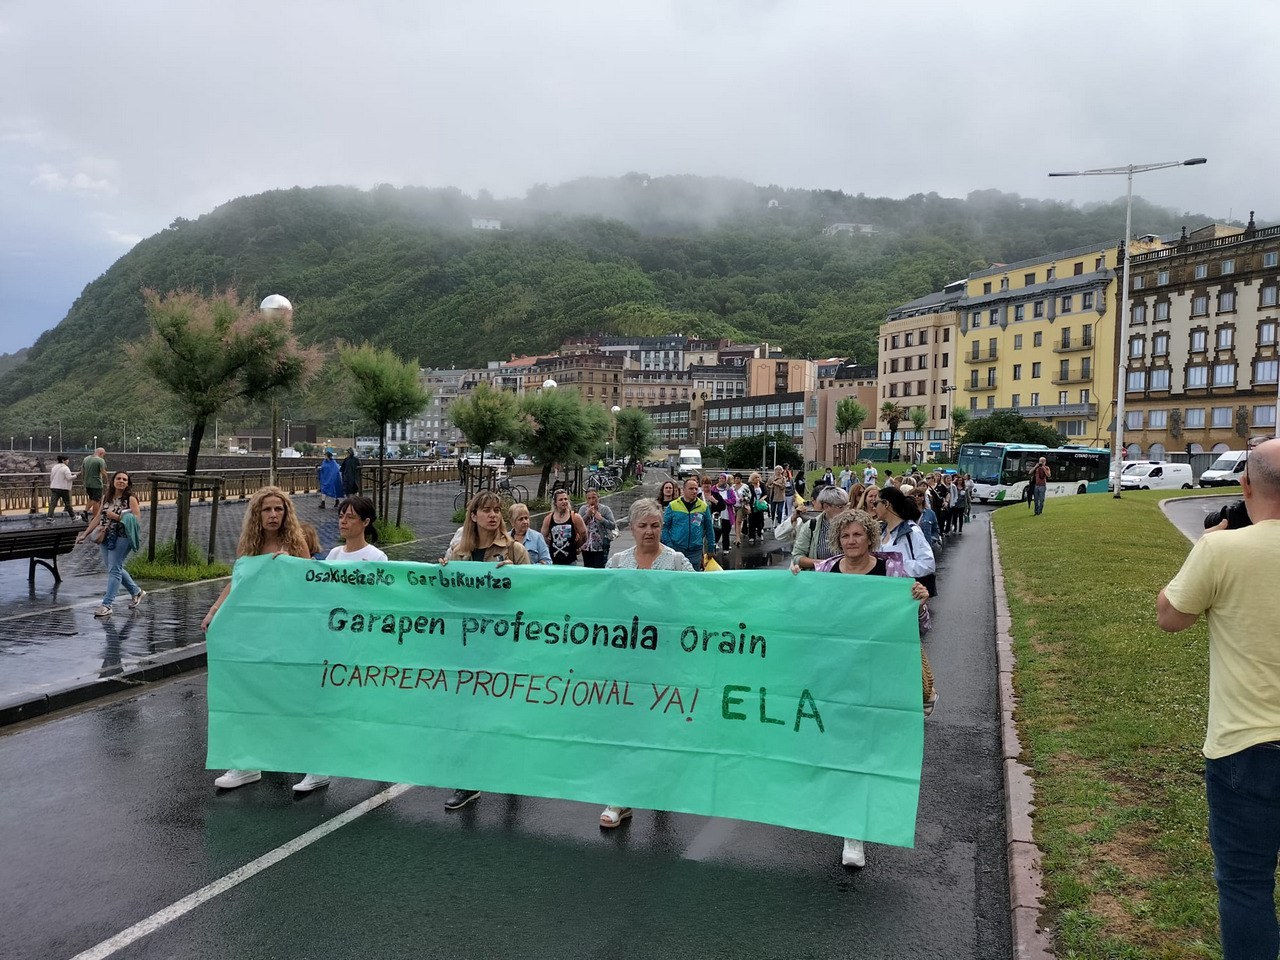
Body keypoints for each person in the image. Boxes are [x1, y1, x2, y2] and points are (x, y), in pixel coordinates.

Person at [1157, 439, 1280, 958]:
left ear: (1245, 485)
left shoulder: (1221, 549)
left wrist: (1206, 547)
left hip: (1246, 745)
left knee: (1247, 884)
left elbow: (1171, 616)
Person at [790, 507, 934, 868]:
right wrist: (793, 584)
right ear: (837, 541)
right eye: (845, 536)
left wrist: (918, 601)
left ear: (870, 537)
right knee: (839, 748)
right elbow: (805, 616)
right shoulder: (824, 571)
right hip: (836, 676)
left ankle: (853, 834)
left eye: (858, 535)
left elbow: (919, 627)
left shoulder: (892, 570)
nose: (851, 541)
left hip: (877, 676)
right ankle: (847, 824)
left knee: (862, 748)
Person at [203, 486, 325, 793]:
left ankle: (316, 764)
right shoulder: (250, 546)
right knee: (248, 695)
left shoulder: (295, 545)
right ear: (257, 514)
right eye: (267, 510)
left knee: (295, 697)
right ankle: (247, 762)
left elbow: (312, 582)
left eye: (278, 509)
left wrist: (292, 567)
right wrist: (215, 610)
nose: (273, 515)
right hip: (256, 635)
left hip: (289, 635)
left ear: (286, 513)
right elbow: (238, 583)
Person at [598, 498, 695, 829]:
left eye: (655, 525)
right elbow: (600, 606)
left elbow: (702, 601)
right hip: (626, 662)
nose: (650, 531)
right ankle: (620, 797)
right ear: (632, 529)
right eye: (643, 526)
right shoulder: (617, 563)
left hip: (666, 662)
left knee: (660, 729)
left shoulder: (678, 562)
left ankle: (658, 788)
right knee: (624, 727)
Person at [440, 490, 530, 812]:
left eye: (497, 511)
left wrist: (517, 578)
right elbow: (447, 600)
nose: (493, 515)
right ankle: (468, 782)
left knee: (502, 713)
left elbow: (533, 597)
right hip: (467, 648)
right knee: (467, 715)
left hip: (502, 647)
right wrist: (442, 575)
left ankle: (509, 769)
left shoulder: (515, 551)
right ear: (473, 516)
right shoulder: (458, 553)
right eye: (486, 510)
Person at [76, 470, 144, 618]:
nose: (121, 481)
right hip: (105, 536)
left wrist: (117, 517)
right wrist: (85, 534)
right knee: (114, 568)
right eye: (118, 478)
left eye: (124, 479)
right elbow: (97, 517)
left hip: (122, 537)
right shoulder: (106, 497)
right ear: (113, 481)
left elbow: (136, 520)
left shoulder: (131, 499)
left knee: (114, 569)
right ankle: (136, 591)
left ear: (128, 483)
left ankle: (107, 604)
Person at [873, 485, 937, 595]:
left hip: (906, 594)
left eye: (876, 503)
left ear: (886, 504)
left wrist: (892, 566)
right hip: (885, 592)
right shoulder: (881, 531)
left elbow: (928, 565)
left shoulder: (912, 531)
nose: (874, 508)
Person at [662, 475, 716, 570]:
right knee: (677, 577)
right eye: (691, 489)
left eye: (696, 489)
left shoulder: (703, 507)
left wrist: (711, 547)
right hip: (676, 549)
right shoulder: (673, 506)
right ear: (684, 490)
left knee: (693, 577)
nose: (694, 491)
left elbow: (709, 528)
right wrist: (669, 545)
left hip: (695, 551)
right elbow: (664, 528)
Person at [791, 485, 849, 570]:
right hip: (819, 579)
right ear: (826, 507)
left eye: (846, 506)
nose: (845, 510)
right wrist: (826, 564)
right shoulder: (811, 526)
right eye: (840, 507)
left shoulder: (854, 526)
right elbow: (797, 556)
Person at [326, 495, 387, 563]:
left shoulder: (376, 557)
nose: (343, 521)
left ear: (366, 522)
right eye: (341, 517)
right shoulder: (334, 554)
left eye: (350, 517)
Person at [542, 488, 586, 566]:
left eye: (565, 499)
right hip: (554, 561)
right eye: (561, 499)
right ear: (555, 502)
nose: (564, 501)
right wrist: (551, 543)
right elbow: (542, 537)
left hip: (571, 560)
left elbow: (584, 534)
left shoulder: (575, 517)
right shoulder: (548, 519)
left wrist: (576, 545)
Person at [578, 488, 617, 568]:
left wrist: (601, 519)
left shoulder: (604, 509)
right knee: (588, 569)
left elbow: (613, 525)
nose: (592, 500)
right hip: (586, 546)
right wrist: (587, 515)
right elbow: (578, 524)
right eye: (589, 498)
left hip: (601, 546)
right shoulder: (583, 509)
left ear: (598, 497)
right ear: (586, 500)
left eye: (594, 497)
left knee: (600, 568)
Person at [700, 475, 728, 553]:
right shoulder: (699, 496)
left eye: (708, 483)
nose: (706, 485)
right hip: (701, 521)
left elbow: (723, 506)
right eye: (704, 483)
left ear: (711, 484)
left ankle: (711, 554)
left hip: (713, 521)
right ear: (701, 485)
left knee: (711, 540)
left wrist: (715, 501)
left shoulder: (716, 495)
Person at [47, 454, 76, 521]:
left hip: (54, 487)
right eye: (67, 460)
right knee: (67, 503)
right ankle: (73, 517)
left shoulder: (54, 467)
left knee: (53, 503)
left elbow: (51, 477)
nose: (68, 461)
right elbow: (69, 478)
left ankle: (49, 517)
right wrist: (75, 476)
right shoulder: (65, 468)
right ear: (63, 460)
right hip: (63, 488)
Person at [81, 447, 107, 521]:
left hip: (87, 483)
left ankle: (85, 512)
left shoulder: (86, 459)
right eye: (103, 455)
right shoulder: (100, 460)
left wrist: (84, 480)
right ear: (101, 453)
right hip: (96, 483)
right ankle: (95, 518)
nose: (103, 456)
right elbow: (103, 471)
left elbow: (82, 471)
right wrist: (107, 480)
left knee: (91, 498)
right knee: (96, 501)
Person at [714, 473, 737, 551]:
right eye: (720, 478)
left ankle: (726, 548)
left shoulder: (729, 489)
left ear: (726, 480)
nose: (721, 480)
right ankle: (715, 543)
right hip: (717, 513)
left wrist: (724, 501)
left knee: (726, 531)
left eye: (723, 478)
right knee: (717, 529)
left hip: (727, 512)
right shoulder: (714, 488)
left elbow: (734, 500)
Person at [745, 471, 767, 544]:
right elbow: (746, 494)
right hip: (752, 504)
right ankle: (752, 536)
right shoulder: (749, 486)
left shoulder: (762, 485)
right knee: (751, 520)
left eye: (758, 477)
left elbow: (765, 494)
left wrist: (762, 498)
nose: (757, 479)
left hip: (760, 505)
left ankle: (760, 533)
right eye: (755, 478)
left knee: (760, 520)